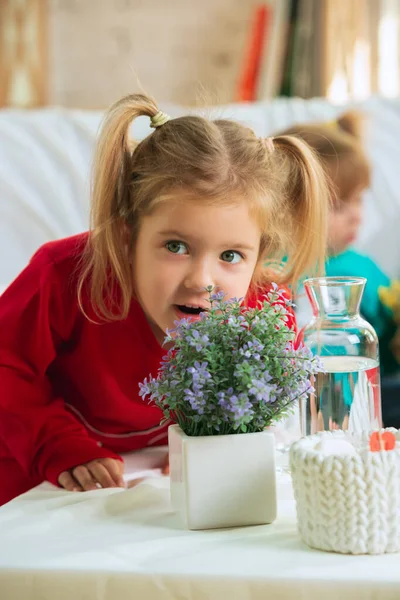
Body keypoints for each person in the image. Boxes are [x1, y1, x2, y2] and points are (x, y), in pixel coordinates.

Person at [0, 93, 329, 505]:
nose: (202, 280)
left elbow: (281, 397)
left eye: (230, 256)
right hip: (36, 460)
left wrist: (213, 439)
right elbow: (7, 364)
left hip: (163, 474)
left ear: (259, 258)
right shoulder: (67, 274)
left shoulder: (263, 310)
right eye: (176, 247)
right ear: (127, 237)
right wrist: (57, 444)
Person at [278, 112, 399, 376]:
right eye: (338, 206)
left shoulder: (361, 267)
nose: (357, 216)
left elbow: (391, 322)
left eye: (359, 200)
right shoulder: (275, 271)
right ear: (286, 209)